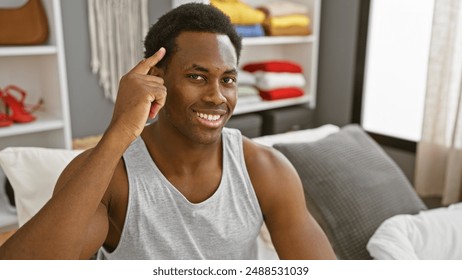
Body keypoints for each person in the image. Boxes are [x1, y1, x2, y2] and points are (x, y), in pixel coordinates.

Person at [0, 3, 336, 260]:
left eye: (228, 80)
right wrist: (119, 132)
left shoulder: (265, 169)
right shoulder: (111, 178)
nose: (217, 96)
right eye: (197, 76)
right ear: (156, 78)